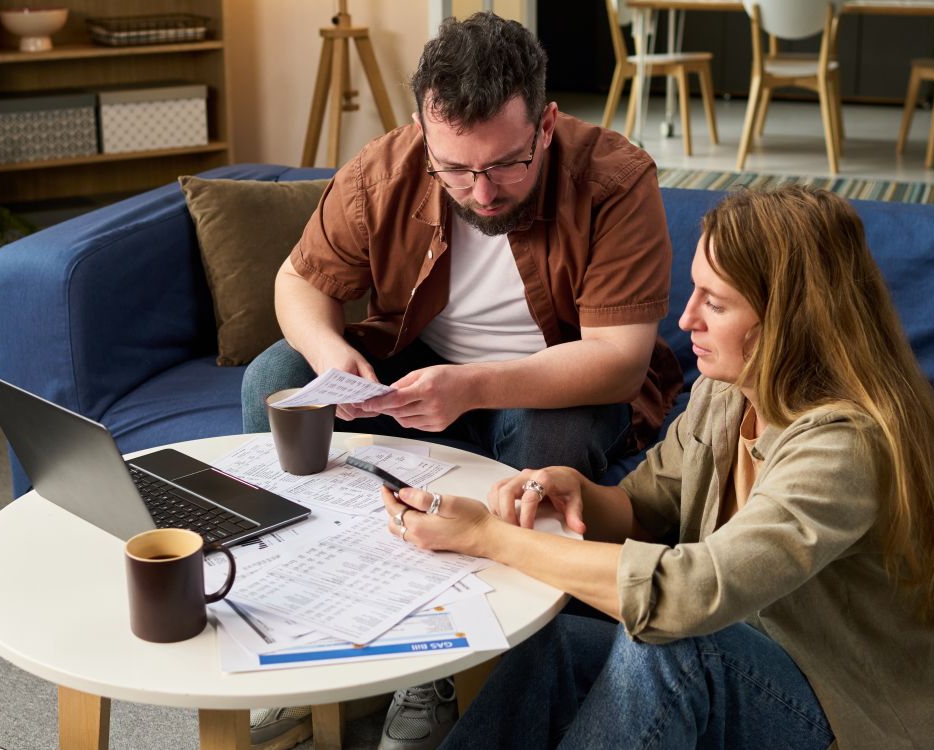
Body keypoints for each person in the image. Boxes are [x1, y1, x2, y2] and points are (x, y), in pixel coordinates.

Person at [381, 186, 934, 749]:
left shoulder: (845, 445)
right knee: (553, 646)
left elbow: (688, 597)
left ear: (788, 319)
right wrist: (573, 492)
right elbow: (647, 507)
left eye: (716, 303)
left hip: (860, 714)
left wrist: (489, 537)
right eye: (695, 290)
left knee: (676, 649)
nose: (685, 320)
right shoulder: (728, 392)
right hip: (762, 659)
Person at [243, 14, 682, 748]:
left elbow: (619, 358)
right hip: (418, 365)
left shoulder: (614, 178)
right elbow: (298, 281)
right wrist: (328, 353)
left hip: (556, 379)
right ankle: (312, 627)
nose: (480, 192)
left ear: (545, 124)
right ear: (424, 132)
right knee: (277, 377)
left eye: (506, 164)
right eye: (454, 168)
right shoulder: (387, 168)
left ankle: (454, 660)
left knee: (549, 448)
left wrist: (472, 387)